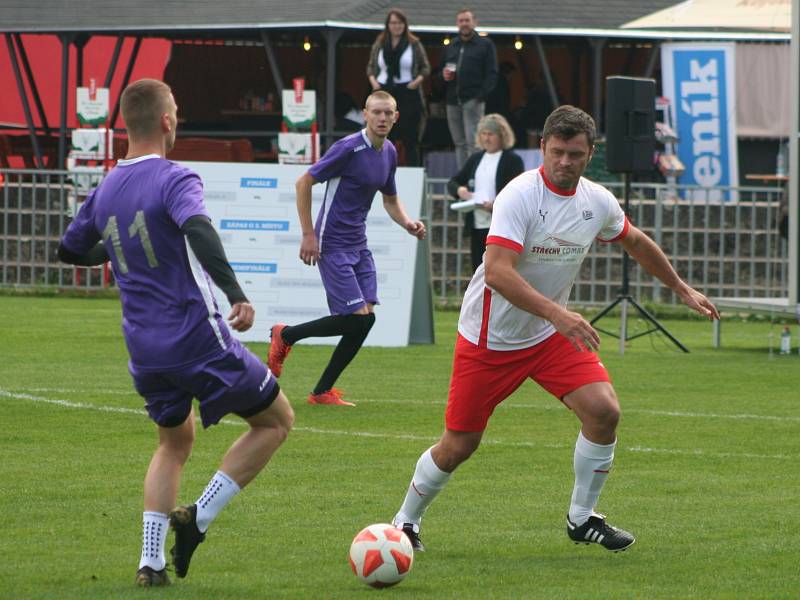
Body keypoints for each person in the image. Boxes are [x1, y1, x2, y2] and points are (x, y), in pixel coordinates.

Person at [391, 105, 719, 553]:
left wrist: (680, 288)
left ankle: (582, 519)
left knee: (604, 412)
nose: (565, 162)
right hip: (490, 338)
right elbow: (498, 273)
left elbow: (636, 241)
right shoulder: (519, 195)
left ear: (590, 154)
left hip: (548, 337)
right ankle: (405, 522)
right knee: (459, 445)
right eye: (558, 152)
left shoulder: (597, 200)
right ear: (543, 147)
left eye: (576, 155)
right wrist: (558, 315)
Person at [57, 79, 294, 587]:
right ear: (166, 121)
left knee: (172, 443)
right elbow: (199, 230)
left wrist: (117, 250)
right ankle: (198, 518)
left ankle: (151, 562)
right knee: (275, 421)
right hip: (194, 337)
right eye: (177, 112)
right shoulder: (174, 176)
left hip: (143, 347)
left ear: (125, 123)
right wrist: (236, 293)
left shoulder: (105, 188)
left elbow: (70, 250)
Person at [268, 91, 426, 406]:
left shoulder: (390, 151)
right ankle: (286, 335)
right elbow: (304, 182)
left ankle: (321, 392)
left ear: (396, 117)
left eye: (388, 113)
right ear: (365, 114)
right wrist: (308, 233)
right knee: (356, 317)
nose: (382, 118)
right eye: (377, 112)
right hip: (331, 241)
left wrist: (407, 222)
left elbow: (390, 199)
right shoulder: (348, 148)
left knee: (365, 319)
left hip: (358, 242)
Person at [447, 113, 524, 272]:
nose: (487, 138)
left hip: (500, 225)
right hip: (477, 224)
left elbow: (518, 192)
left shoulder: (512, 160)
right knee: (478, 270)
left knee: (498, 270)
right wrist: (460, 190)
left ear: (501, 136)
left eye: (491, 134)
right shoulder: (475, 158)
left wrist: (496, 205)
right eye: (483, 134)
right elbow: (453, 182)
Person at [366, 8, 431, 166]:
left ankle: (413, 172)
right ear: (388, 25)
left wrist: (416, 82)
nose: (397, 26)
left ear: (405, 25)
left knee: (410, 137)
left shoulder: (414, 44)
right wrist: (374, 82)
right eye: (393, 23)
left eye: (400, 23)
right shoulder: (379, 43)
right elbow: (371, 66)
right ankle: (381, 170)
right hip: (384, 91)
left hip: (408, 93)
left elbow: (425, 67)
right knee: (385, 134)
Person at [441, 9, 498, 169]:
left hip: (473, 99)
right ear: (457, 23)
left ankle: (475, 177)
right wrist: (444, 75)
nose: (464, 24)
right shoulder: (451, 45)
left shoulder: (485, 44)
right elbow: (439, 72)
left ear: (474, 22)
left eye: (467, 20)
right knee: (459, 143)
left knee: (474, 142)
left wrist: (480, 97)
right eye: (461, 21)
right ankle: (463, 178)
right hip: (452, 101)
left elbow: (492, 74)